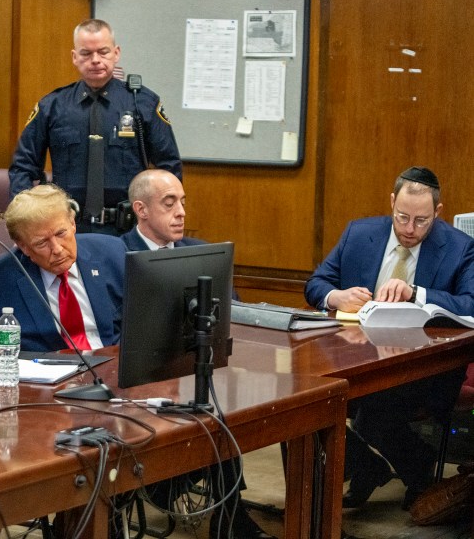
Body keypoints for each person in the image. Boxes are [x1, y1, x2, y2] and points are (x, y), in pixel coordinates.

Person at [305, 166, 474, 509]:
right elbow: (316, 284)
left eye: (422, 221)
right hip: (356, 356)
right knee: (306, 404)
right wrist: (336, 297)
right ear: (392, 202)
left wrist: (416, 293)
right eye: (402, 217)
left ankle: (417, 467)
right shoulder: (359, 233)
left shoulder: (460, 248)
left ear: (438, 213)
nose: (410, 229)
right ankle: (366, 466)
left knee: (373, 410)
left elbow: (471, 303)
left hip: (426, 367)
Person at [123, 169, 275, 539]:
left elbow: (230, 312)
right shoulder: (118, 254)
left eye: (183, 202)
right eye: (169, 203)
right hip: (139, 377)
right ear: (141, 209)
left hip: (197, 371)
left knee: (223, 408)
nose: (181, 212)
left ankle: (230, 517)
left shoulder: (199, 251)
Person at [9, 18, 182, 235]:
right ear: (74, 57)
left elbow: (169, 168)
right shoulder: (52, 106)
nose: (95, 60)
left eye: (103, 52)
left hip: (129, 231)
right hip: (68, 229)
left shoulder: (143, 103)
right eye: (86, 53)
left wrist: (161, 219)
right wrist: (25, 221)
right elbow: (22, 168)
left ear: (116, 53)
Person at [0, 183, 126, 363]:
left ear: (72, 223)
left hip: (113, 367)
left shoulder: (112, 253)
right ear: (23, 246)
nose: (57, 249)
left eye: (61, 233)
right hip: (43, 383)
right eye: (41, 243)